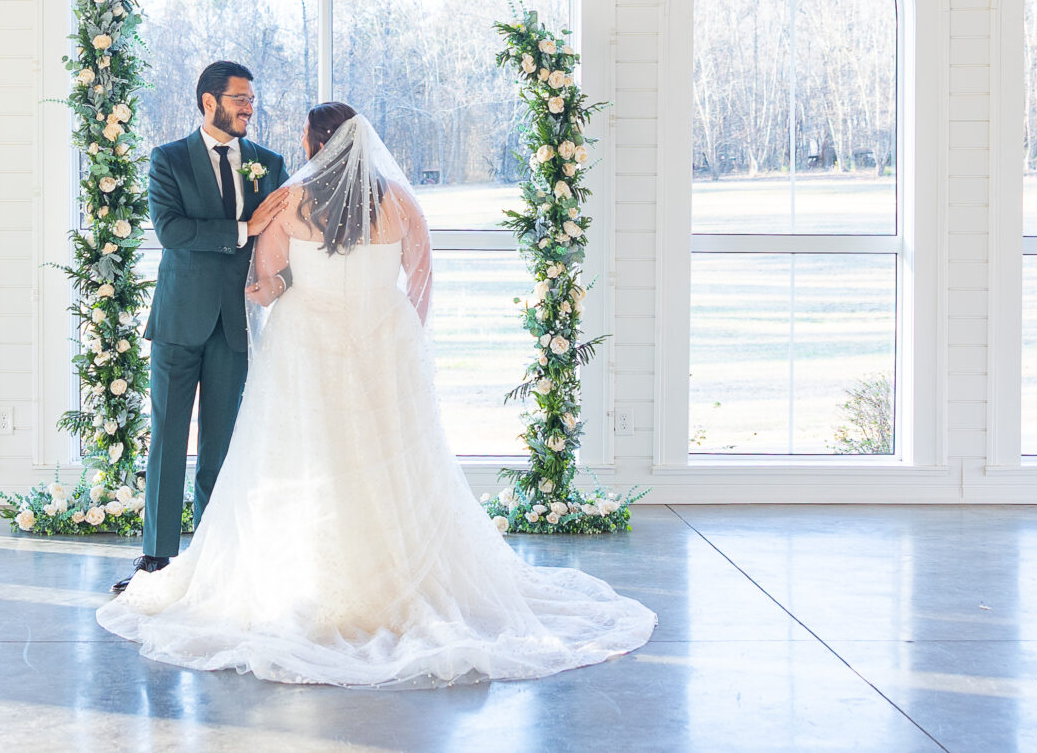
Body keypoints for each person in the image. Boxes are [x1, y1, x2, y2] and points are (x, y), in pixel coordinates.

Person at [97, 102, 654, 686]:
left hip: (306, 346)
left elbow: (264, 288)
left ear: (316, 144)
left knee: (309, 458)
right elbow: (421, 276)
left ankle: (307, 577)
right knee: (385, 460)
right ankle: (395, 579)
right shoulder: (399, 202)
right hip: (381, 345)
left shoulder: (291, 202)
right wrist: (400, 334)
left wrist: (280, 286)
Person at [114, 61, 288, 595]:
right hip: (178, 319)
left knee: (220, 444)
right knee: (167, 438)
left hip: (236, 322)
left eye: (252, 99)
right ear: (209, 101)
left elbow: (286, 237)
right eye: (240, 98)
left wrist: (277, 278)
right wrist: (244, 227)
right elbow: (171, 230)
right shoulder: (168, 160)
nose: (249, 107)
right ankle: (156, 560)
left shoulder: (269, 164)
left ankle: (212, 558)